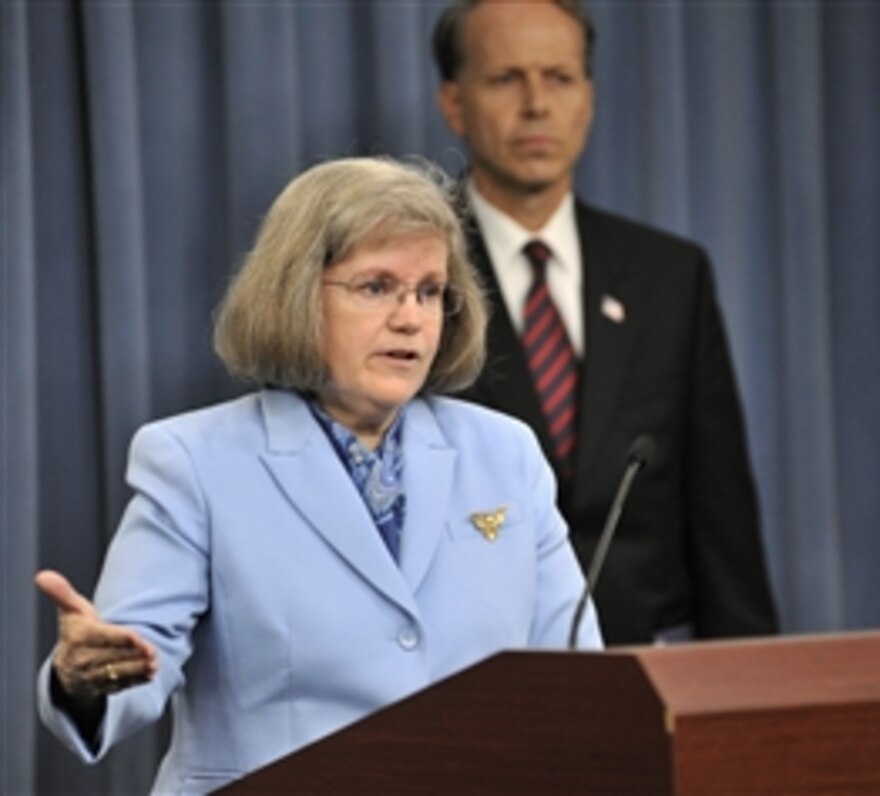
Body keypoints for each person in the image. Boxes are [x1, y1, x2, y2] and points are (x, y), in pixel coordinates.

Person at [35, 156, 602, 794]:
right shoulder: (194, 461)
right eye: (376, 287)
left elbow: (580, 681)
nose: (411, 317)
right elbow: (132, 658)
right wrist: (86, 679)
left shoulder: (505, 453)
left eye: (430, 291)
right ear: (299, 294)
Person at [432, 0, 778, 644]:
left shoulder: (671, 276)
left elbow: (720, 516)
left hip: (643, 669)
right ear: (454, 104)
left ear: (588, 98)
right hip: (472, 678)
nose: (537, 104)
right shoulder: (413, 277)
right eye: (506, 79)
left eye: (559, 78)